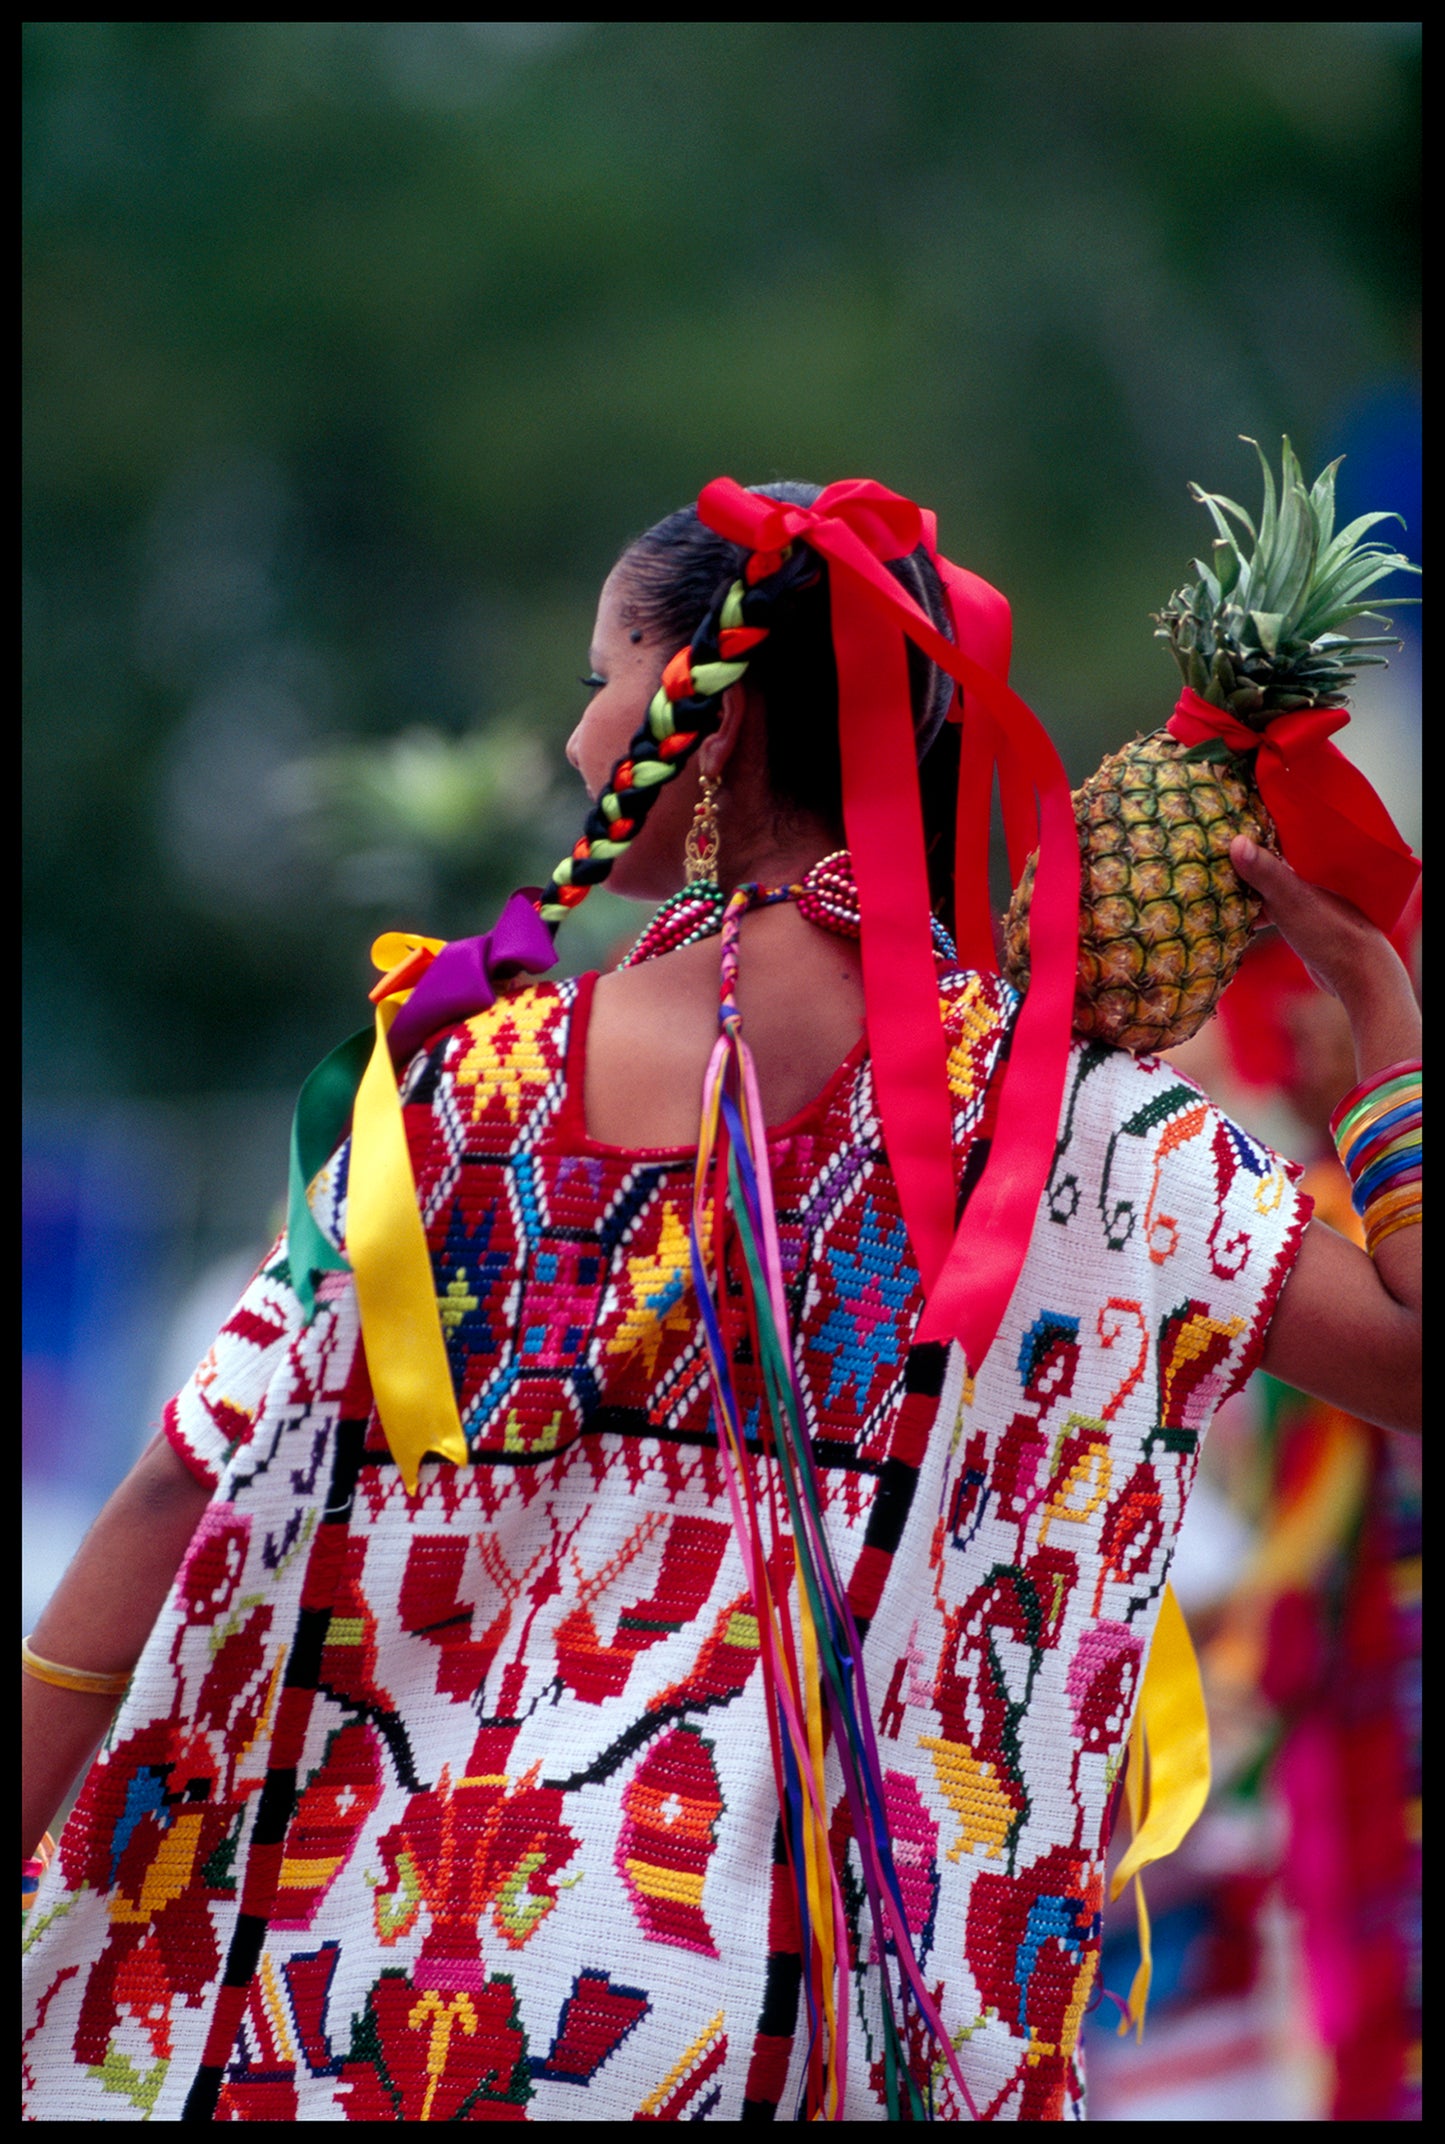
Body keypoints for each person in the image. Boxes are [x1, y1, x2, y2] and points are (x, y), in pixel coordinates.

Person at [21, 480, 1420, 2122]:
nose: (571, 737)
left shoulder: (464, 1088)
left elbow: (190, 1474)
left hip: (415, 1998)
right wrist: (1382, 1010)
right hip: (798, 2034)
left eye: (600, 677)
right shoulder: (1074, 1131)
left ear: (716, 726)